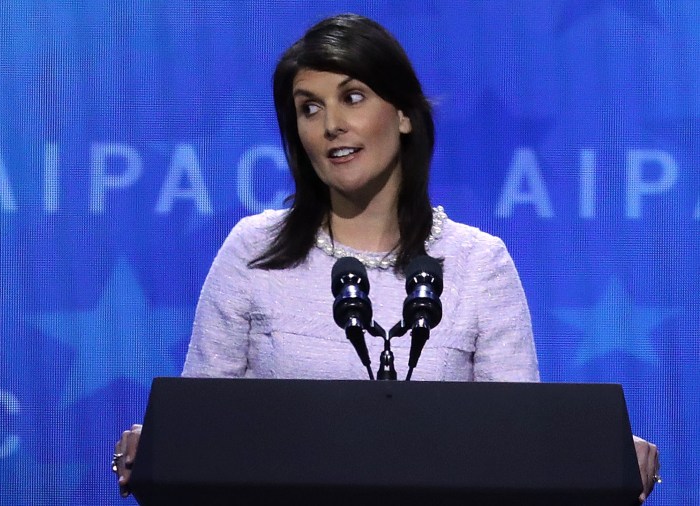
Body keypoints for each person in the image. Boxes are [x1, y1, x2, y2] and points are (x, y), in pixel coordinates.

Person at [113, 13, 660, 502]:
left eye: (352, 97)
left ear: (401, 114)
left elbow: (518, 448)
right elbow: (201, 435)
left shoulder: (477, 264)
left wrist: (599, 457)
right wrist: (159, 448)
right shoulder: (254, 251)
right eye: (309, 108)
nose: (331, 126)